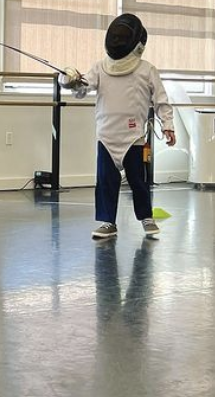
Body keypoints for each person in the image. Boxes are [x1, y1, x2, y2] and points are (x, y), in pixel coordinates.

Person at [58, 13, 175, 241]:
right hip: (106, 136)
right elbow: (82, 91)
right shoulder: (100, 68)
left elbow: (161, 100)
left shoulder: (147, 70)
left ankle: (146, 217)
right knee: (105, 181)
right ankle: (107, 223)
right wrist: (69, 80)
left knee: (138, 181)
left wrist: (168, 125)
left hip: (133, 136)